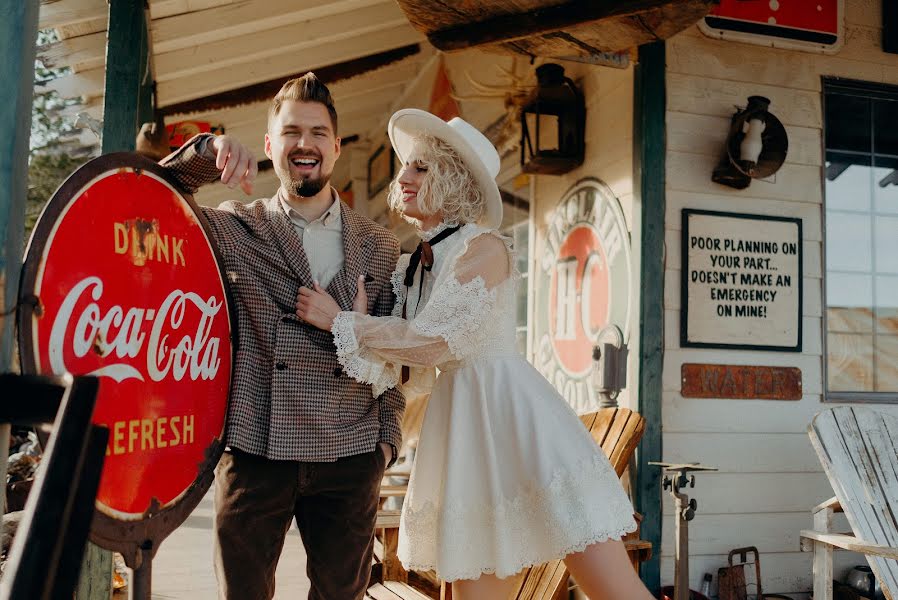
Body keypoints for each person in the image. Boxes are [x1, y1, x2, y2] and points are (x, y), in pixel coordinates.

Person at [296, 109, 657, 600]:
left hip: (518, 424)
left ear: (453, 178)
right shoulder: (415, 264)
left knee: (613, 590)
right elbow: (407, 368)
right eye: (407, 166)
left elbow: (434, 341)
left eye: (420, 168)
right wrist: (364, 328)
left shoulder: (484, 249)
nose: (403, 177)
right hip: (463, 429)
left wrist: (345, 322)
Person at [159, 73, 404, 600]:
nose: (305, 144)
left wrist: (386, 444)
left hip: (351, 451)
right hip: (256, 449)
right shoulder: (234, 226)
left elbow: (395, 356)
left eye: (318, 132)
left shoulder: (380, 245)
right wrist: (209, 149)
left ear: (336, 149)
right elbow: (157, 196)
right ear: (270, 146)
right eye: (291, 132)